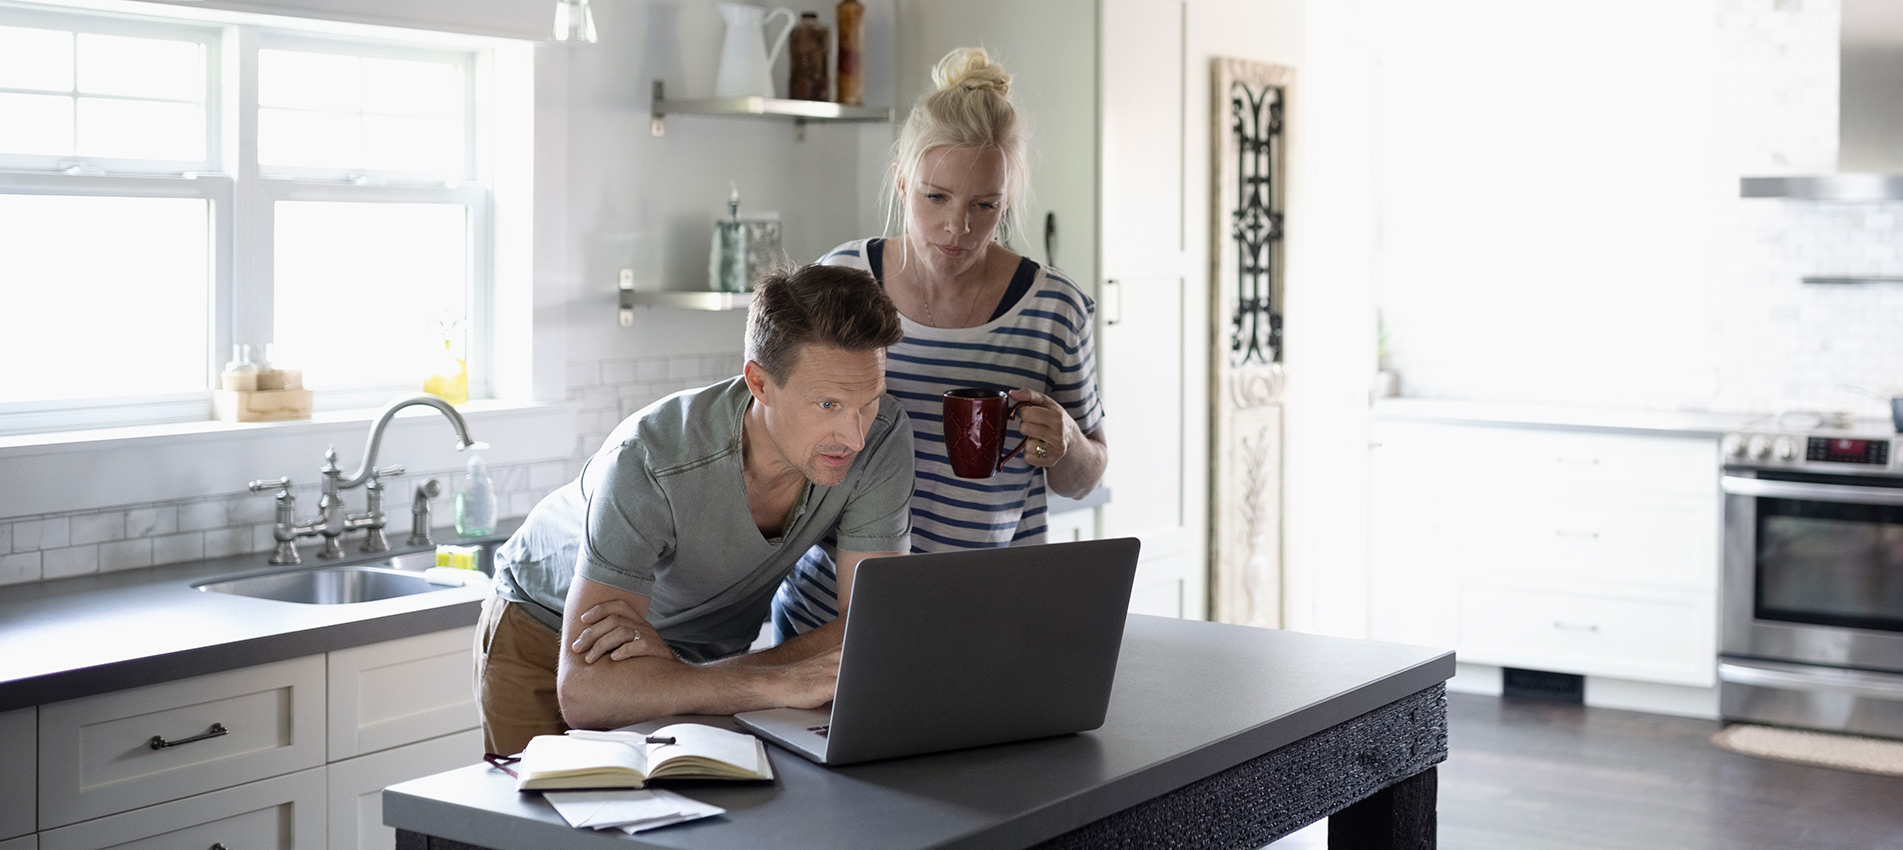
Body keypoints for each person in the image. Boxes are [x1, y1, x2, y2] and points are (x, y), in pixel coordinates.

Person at [473, 264, 913, 756]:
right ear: (760, 384)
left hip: (698, 656)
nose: (855, 437)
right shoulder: (650, 460)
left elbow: (873, 626)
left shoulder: (881, 439)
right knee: (541, 830)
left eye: (868, 402)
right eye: (828, 405)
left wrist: (679, 677)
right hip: (546, 630)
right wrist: (775, 681)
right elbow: (585, 693)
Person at [770, 47, 1109, 640]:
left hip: (985, 617)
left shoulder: (1054, 308)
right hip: (825, 623)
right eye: (936, 197)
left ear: (1008, 199)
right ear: (902, 181)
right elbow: (775, 430)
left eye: (986, 205)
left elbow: (1083, 478)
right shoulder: (842, 278)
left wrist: (1069, 442)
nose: (959, 227)